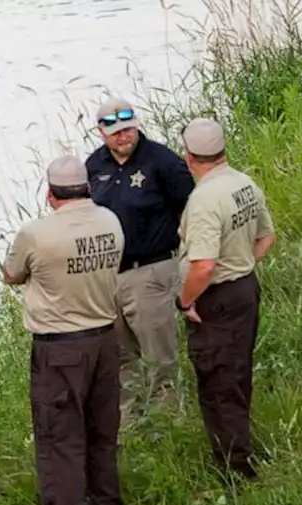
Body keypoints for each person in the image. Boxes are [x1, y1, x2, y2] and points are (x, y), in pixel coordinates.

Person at [3, 155, 125, 505]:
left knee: (59, 443)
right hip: (106, 340)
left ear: (50, 193)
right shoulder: (110, 221)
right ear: (88, 188)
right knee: (102, 434)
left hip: (59, 349)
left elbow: (12, 274)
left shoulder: (37, 233)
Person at [175, 118, 276, 480]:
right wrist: (242, 264)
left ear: (188, 157)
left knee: (218, 380)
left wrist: (185, 301)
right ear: (223, 150)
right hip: (245, 287)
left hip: (215, 295)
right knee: (237, 372)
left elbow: (203, 265)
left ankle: (235, 467)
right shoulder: (243, 183)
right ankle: (239, 450)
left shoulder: (204, 199)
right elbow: (267, 238)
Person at [86, 97, 195, 417]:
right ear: (101, 132)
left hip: (152, 270)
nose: (124, 136)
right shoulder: (94, 166)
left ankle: (169, 421)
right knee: (120, 357)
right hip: (108, 277)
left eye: (129, 129)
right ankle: (130, 425)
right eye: (116, 131)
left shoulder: (163, 162)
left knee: (160, 356)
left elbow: (191, 211)